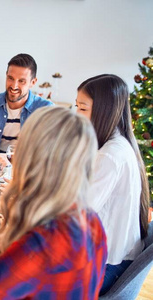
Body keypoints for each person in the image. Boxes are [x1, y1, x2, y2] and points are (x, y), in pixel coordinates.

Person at [0, 106, 107, 299]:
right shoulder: (92, 221)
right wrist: (13, 244)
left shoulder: (41, 245)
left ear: (33, 160)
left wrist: (14, 252)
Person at [75, 74, 150, 295]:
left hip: (109, 264)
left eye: (83, 109)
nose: (77, 115)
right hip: (115, 255)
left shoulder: (111, 155)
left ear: (103, 111)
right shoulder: (117, 144)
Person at [0, 53, 53, 169]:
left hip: (23, 175)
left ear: (33, 82)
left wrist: (9, 164)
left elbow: (46, 157)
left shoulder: (46, 110)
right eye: (10, 78)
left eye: (22, 81)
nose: (14, 86)